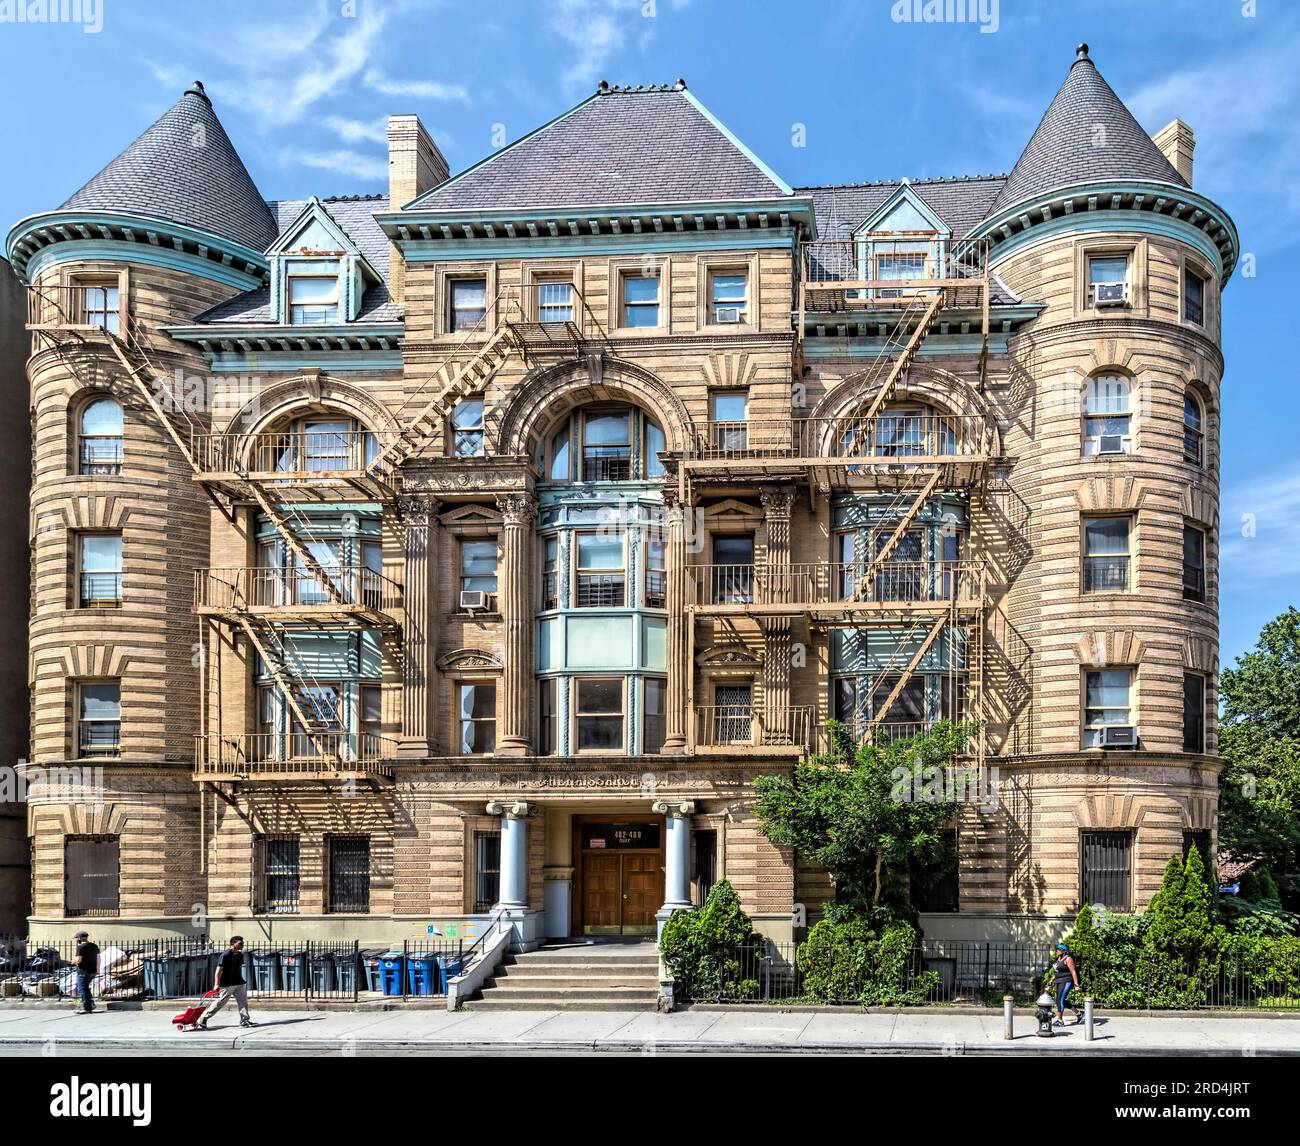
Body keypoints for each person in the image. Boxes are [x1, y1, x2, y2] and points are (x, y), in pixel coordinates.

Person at [197, 936, 254, 1029]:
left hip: (239, 982)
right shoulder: (225, 955)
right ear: (233, 944)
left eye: (242, 943)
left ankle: (244, 1020)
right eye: (240, 943)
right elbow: (218, 970)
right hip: (227, 983)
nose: (242, 945)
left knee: (243, 1002)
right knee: (221, 1002)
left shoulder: (240, 955)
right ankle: (203, 1018)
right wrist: (216, 984)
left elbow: (238, 968)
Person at [1052, 941, 1083, 1026]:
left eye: (1059, 949)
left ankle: (1060, 1020)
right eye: (1057, 949)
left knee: (1059, 1000)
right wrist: (1051, 981)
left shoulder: (1068, 959)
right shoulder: (1058, 960)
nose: (1057, 950)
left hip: (1066, 981)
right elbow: (1057, 973)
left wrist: (1076, 985)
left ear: (1064, 951)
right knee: (1061, 1000)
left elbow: (1073, 972)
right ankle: (1079, 1014)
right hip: (1059, 981)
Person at [72, 930, 99, 1015]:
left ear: (79, 938)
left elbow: (78, 960)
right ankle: (91, 1003)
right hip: (92, 971)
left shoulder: (80, 947)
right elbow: (99, 959)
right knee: (86, 988)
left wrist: (73, 961)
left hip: (83, 971)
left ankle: (87, 1008)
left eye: (77, 938)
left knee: (82, 989)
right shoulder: (94, 946)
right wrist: (97, 969)